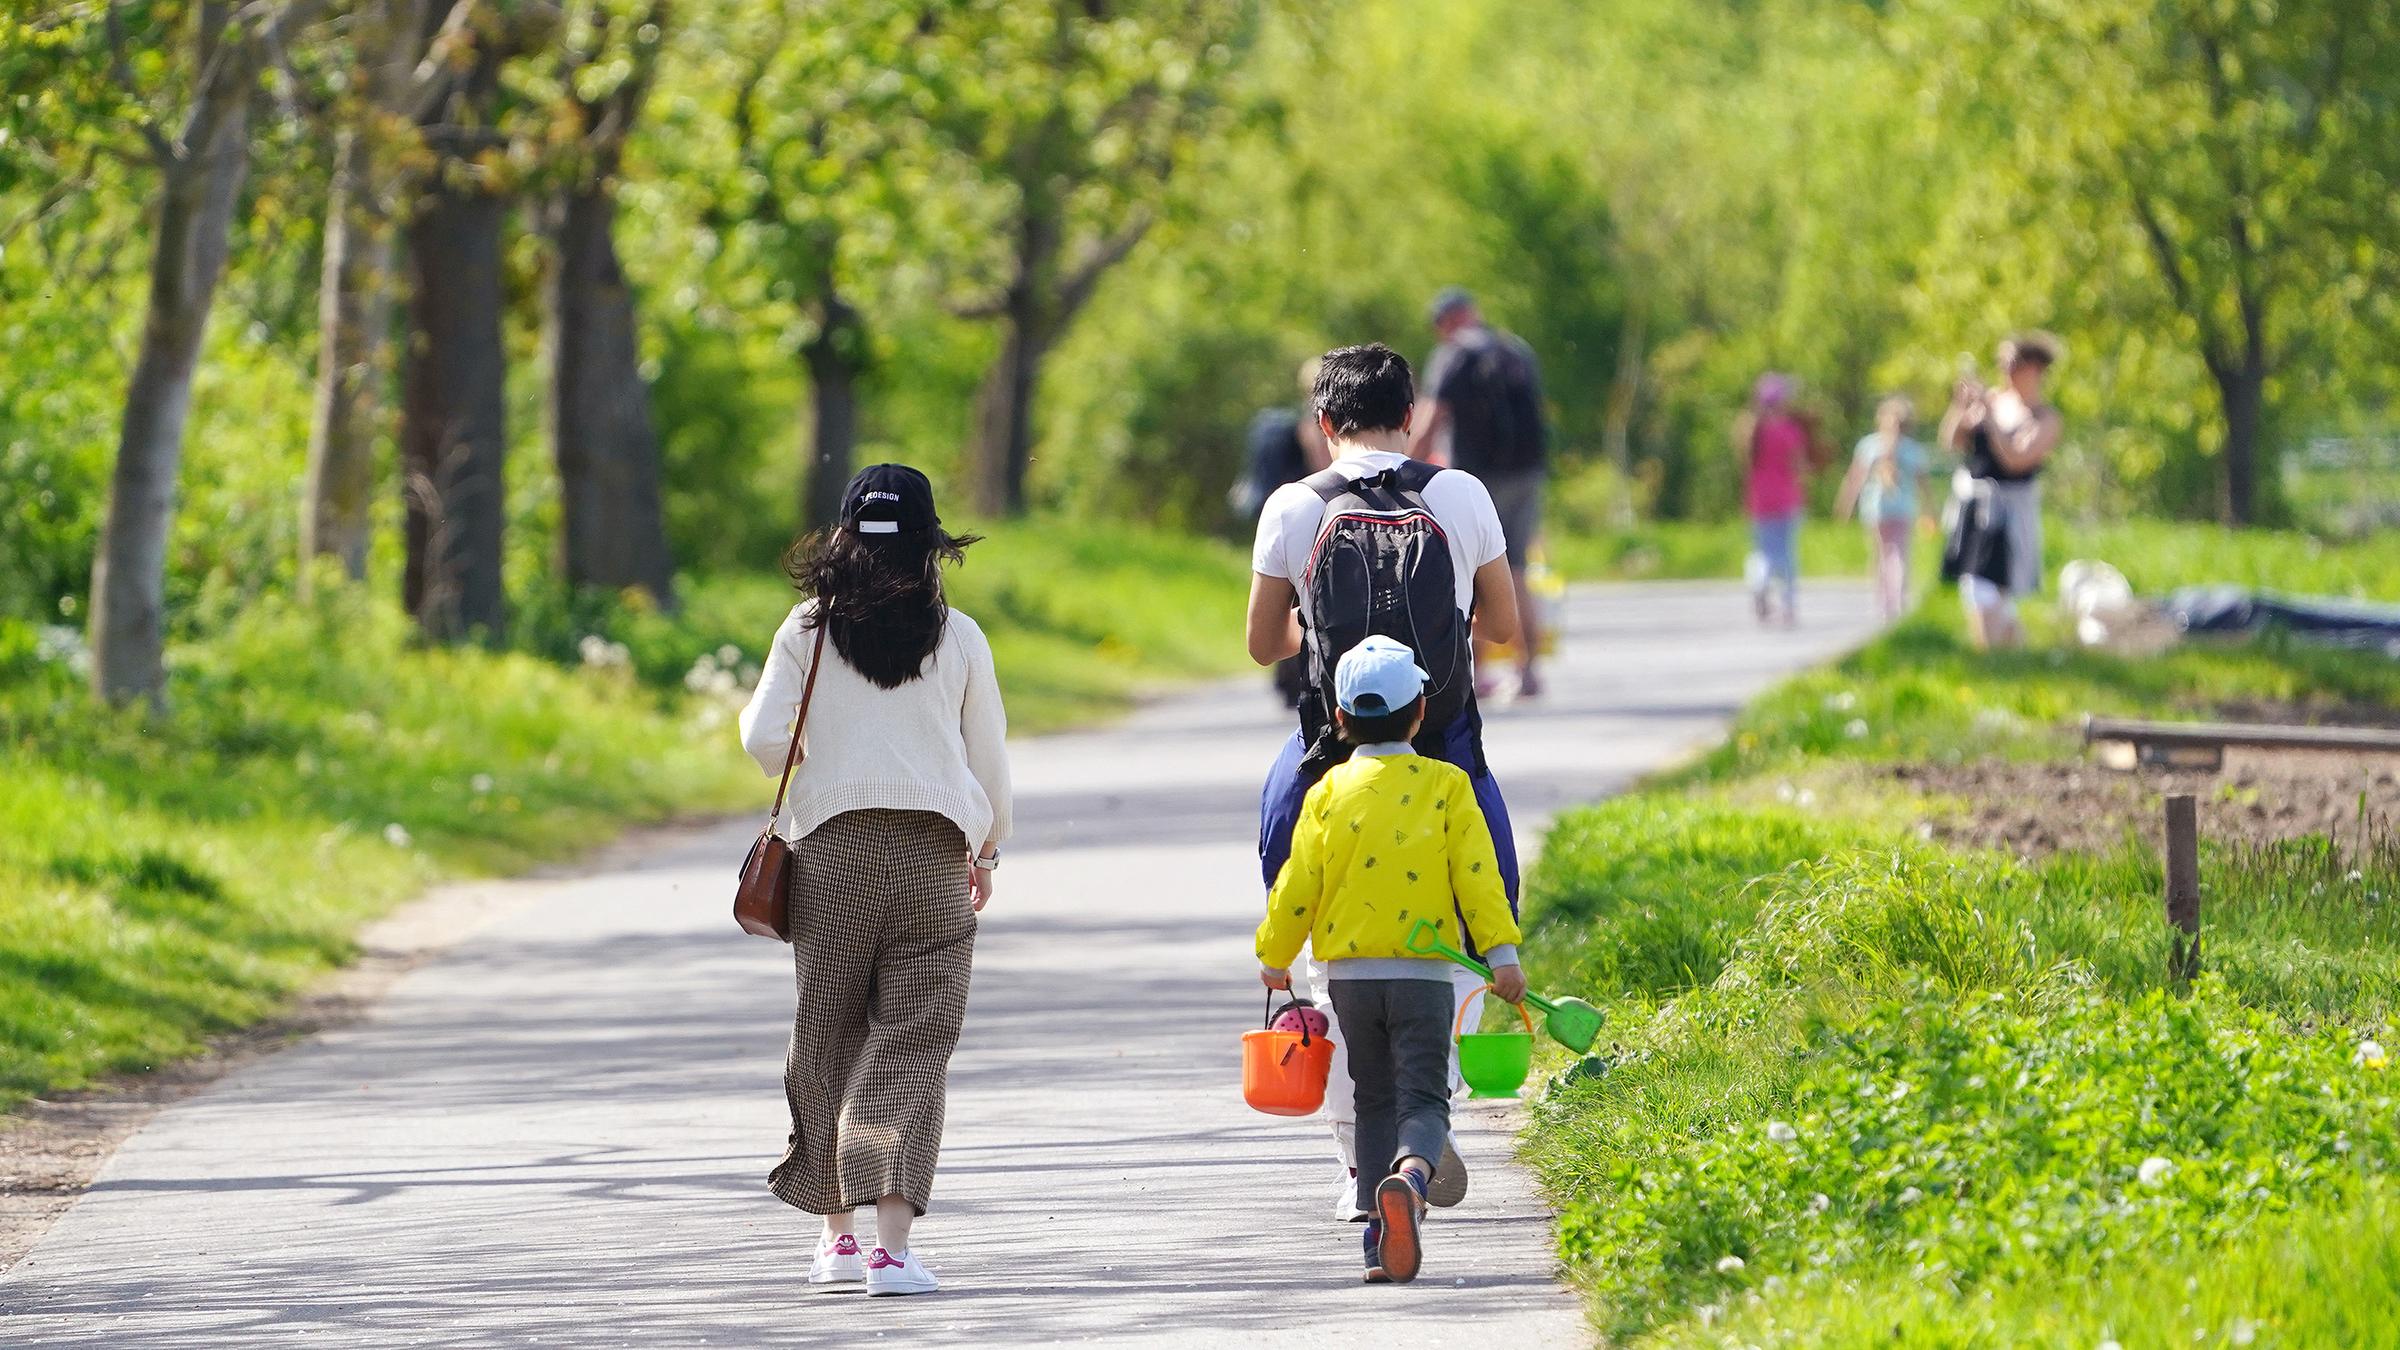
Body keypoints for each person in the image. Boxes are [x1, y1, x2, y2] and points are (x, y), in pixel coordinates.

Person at [1247, 342, 1522, 1223]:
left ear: (1324, 424)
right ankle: (1423, 1125)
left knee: (1335, 968)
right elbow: (1507, 629)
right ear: (1411, 418)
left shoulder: (1295, 505)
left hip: (1334, 762)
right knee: (1462, 940)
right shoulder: (1462, 494)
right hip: (1444, 757)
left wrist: (1326, 646)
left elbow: (1264, 644)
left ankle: (1353, 1165)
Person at [736, 464, 1011, 1298]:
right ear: (932, 544)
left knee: (826, 1034)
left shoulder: (806, 630)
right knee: (915, 1038)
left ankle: (835, 1239)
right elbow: (988, 761)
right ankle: (892, 1252)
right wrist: (988, 851)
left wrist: (827, 767)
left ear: (843, 540)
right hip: (932, 857)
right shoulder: (958, 636)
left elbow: (760, 737)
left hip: (832, 857)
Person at [1255, 635, 1528, 1285]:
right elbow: (1478, 878)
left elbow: (1299, 884)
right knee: (1426, 1098)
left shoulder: (1328, 793)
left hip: (1349, 979)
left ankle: (1379, 1240)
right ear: (1418, 714)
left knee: (1372, 1097)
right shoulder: (1447, 786)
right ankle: (1410, 1177)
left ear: (1341, 719)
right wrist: (1502, 955)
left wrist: (1275, 956)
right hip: (1424, 973)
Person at [1408, 288, 1549, 699]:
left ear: (1446, 322)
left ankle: (1477, 672)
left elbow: (1431, 419)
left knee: (1471, 568)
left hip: (1477, 478)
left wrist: (1402, 469)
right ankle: (1528, 671)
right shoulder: (1515, 350)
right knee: (1517, 569)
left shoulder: (1452, 355)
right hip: (1527, 472)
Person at [1939, 334, 2064, 648]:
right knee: (1977, 585)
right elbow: (1951, 442)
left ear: (2034, 368)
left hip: (2010, 510)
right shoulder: (1993, 400)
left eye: (2013, 363)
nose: (2006, 370)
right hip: (1974, 505)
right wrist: (1960, 406)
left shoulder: (2045, 418)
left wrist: (1991, 419)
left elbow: (2016, 461)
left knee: (1991, 585)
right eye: (2002, 363)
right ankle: (2004, 653)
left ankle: (1993, 653)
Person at [1232, 358, 1334, 706]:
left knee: (1287, 596)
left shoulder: (1295, 419)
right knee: (1303, 598)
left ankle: (1287, 679)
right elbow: (1324, 469)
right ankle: (1299, 678)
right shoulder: (1313, 424)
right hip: (1308, 516)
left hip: (1280, 517)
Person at [1835, 395, 1932, 621]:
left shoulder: (1869, 446)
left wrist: (1846, 503)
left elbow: (1855, 479)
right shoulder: (1913, 450)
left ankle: (1883, 602)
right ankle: (1898, 598)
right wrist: (1930, 509)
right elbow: (1923, 484)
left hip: (1876, 509)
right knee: (1898, 554)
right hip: (1903, 509)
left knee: (1880, 554)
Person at [1740, 373, 1813, 627]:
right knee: (1786, 553)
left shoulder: (1752, 430)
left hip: (1759, 499)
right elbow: (1799, 466)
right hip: (1786, 498)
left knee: (1763, 551)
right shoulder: (1788, 431)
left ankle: (1759, 583)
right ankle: (1788, 604)